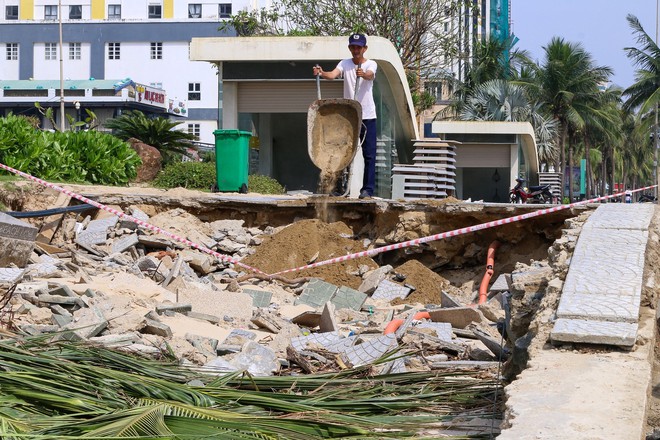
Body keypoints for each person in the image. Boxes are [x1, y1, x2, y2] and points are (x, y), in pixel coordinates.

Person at [313, 33, 378, 199]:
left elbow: (371, 74)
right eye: (353, 47)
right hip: (349, 116)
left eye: (359, 47)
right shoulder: (345, 63)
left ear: (364, 48)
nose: (356, 50)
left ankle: (367, 190)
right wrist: (321, 73)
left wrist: (363, 74)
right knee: (341, 150)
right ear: (350, 48)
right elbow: (333, 74)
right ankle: (338, 187)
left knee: (369, 154)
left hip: (367, 116)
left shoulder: (371, 64)